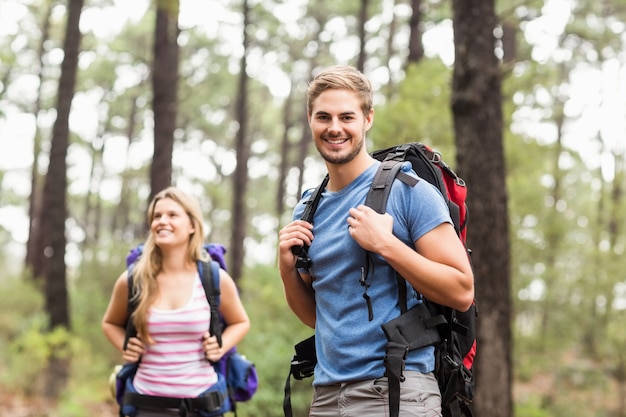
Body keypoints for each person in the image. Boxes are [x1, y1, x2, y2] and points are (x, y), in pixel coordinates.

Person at [277, 65, 474, 417]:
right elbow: (316, 317)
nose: (334, 127)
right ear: (310, 120)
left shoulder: (409, 192)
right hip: (326, 395)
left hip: (397, 391)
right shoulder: (307, 209)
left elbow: (461, 291)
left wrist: (387, 245)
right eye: (323, 116)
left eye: (346, 117)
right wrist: (286, 270)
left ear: (367, 119)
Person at [102, 186, 250, 417]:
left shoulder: (214, 278)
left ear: (192, 225)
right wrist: (125, 345)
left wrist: (220, 346)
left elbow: (241, 322)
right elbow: (110, 323)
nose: (162, 221)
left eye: (172, 215)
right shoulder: (133, 279)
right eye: (157, 216)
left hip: (202, 405)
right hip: (144, 405)